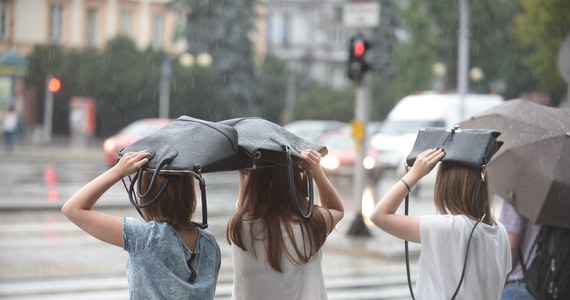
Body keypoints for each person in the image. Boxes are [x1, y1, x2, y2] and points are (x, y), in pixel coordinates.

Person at [62, 150, 221, 299]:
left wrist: (118, 171)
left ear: (148, 195)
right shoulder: (210, 244)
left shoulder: (145, 237)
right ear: (189, 194)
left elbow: (72, 209)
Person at [370, 148, 511, 299]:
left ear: (446, 185)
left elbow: (379, 215)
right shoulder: (500, 231)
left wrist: (414, 174)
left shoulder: (449, 227)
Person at [227, 149, 344, 300]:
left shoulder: (238, 227)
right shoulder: (311, 223)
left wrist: (244, 182)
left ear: (252, 182)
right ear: (295, 181)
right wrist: (316, 171)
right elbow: (336, 209)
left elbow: (243, 208)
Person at [499, 199, 541, 300]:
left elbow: (511, 247)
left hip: (520, 285)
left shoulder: (519, 189)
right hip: (553, 288)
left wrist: (498, 284)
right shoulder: (562, 190)